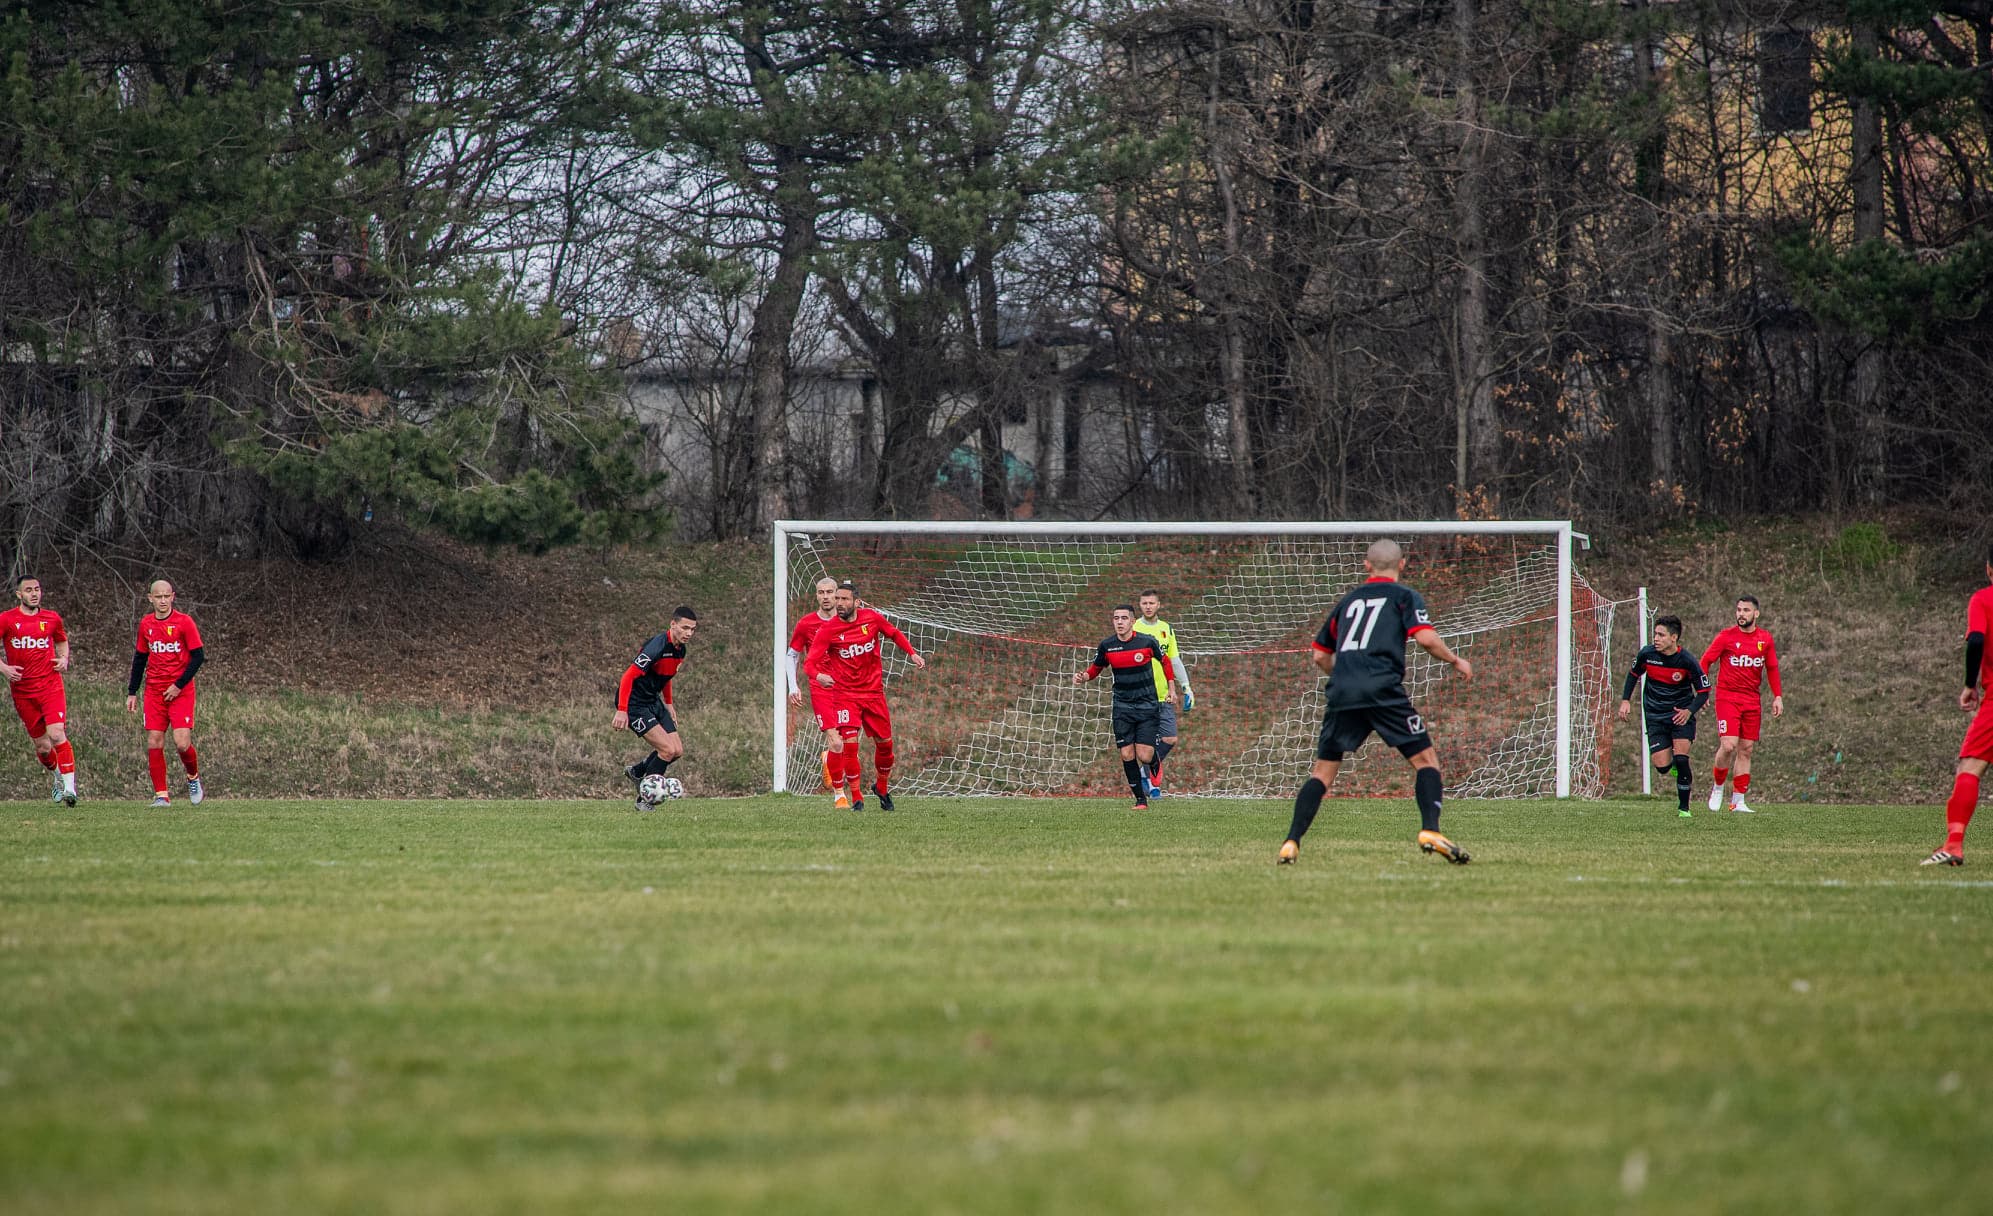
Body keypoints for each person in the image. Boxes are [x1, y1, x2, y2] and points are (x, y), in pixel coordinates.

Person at [1277, 539, 1474, 865]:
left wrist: (1346, 675)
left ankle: (1291, 842)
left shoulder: (1348, 601)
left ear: (1367, 566)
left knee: (1323, 774)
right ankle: (1430, 830)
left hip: (1343, 692)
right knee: (1426, 762)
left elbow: (1319, 655)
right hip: (1383, 690)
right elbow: (1425, 637)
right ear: (1403, 564)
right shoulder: (1404, 596)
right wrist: (1455, 660)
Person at [804, 581, 926, 810]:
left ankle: (881, 786)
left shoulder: (872, 618)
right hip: (845, 695)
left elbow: (894, 633)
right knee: (849, 745)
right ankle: (856, 797)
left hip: (873, 694)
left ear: (857, 602)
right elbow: (809, 663)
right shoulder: (828, 630)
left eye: (844, 599)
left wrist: (912, 653)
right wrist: (818, 675)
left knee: (886, 747)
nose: (839, 603)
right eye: (837, 599)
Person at [1925, 546, 1993, 865]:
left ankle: (1953, 845)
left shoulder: (1982, 599)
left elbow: (1977, 640)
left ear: (1989, 570)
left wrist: (1969, 684)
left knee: (1969, 768)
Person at [1075, 604, 1177, 811]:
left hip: (1147, 706)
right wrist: (1084, 676)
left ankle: (1155, 762)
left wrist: (1171, 689)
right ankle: (1141, 800)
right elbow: (1096, 668)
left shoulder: (1147, 642)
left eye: (1123, 618)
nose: (1119, 622)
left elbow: (1165, 662)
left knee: (1145, 755)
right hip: (1122, 706)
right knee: (1126, 754)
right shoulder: (1107, 645)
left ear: (1132, 621)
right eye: (1116, 618)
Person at [1617, 615, 1710, 818]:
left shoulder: (1687, 660)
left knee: (1682, 758)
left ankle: (1684, 809)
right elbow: (1633, 674)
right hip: (1655, 714)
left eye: (1661, 635)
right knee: (1662, 767)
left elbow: (1704, 690)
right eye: (1655, 634)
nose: (1656, 639)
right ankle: (1673, 764)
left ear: (1674, 637)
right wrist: (1625, 700)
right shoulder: (1647, 654)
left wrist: (1689, 711)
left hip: (1680, 715)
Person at [125, 579, 207, 807]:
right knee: (154, 740)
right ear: (150, 598)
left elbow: (198, 656)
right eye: (158, 597)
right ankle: (162, 795)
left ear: (173, 597)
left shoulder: (184, 622)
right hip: (154, 691)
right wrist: (132, 691)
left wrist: (178, 685)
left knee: (181, 743)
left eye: (166, 596)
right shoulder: (146, 624)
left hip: (180, 690)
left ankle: (193, 777)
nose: (162, 601)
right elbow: (140, 658)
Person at [1700, 595, 1784, 813]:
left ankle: (1737, 800)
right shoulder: (1726, 637)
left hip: (1751, 699)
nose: (1741, 614)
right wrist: (1702, 690)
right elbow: (1705, 661)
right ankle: (1718, 788)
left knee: (1746, 749)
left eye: (1746, 610)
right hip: (1727, 696)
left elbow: (1772, 668)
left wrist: (1777, 696)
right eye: (1738, 610)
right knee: (1728, 745)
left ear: (1756, 614)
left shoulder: (1765, 639)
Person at [1, 574, 77, 806]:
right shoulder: (6, 620)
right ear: (19, 594)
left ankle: (70, 789)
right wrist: (4, 668)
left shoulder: (52, 618)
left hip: (50, 686)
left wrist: (64, 659)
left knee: (56, 734)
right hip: (23, 691)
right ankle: (57, 778)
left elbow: (61, 641)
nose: (34, 593)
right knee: (43, 747)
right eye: (29, 590)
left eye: (37, 589)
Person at [614, 606, 698, 812]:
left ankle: (637, 771)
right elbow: (628, 676)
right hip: (635, 704)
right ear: (673, 624)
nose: (689, 633)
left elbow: (665, 676)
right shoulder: (657, 647)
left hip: (653, 701)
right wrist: (622, 709)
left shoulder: (681, 650)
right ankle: (644, 801)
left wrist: (669, 703)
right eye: (685, 628)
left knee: (677, 750)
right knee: (667, 750)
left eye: (693, 629)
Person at [1132, 590, 1194, 797]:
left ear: (1159, 605)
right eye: (1144, 603)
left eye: (1151, 603)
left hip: (1164, 695)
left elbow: (1174, 660)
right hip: (1141, 696)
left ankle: (1145, 772)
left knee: (1170, 738)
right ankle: (1151, 783)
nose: (1148, 606)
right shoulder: (1134, 628)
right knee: (1145, 742)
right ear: (1140, 606)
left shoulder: (1166, 629)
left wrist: (1185, 687)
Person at [787, 576, 842, 791]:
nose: (826, 597)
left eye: (830, 592)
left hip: (847, 687)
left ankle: (830, 758)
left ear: (837, 595)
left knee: (847, 743)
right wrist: (794, 686)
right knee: (835, 740)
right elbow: (791, 655)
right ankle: (840, 795)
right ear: (817, 595)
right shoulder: (807, 623)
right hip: (821, 688)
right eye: (821, 592)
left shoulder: (849, 621)